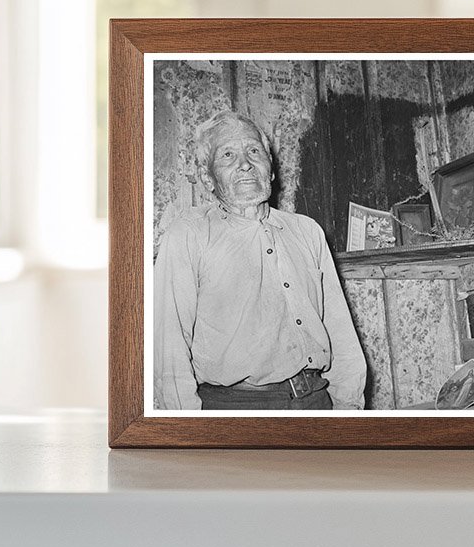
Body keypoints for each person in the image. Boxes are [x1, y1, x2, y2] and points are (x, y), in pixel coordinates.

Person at [153, 110, 367, 411]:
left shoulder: (308, 231)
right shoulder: (188, 235)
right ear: (207, 177)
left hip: (316, 400)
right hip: (237, 409)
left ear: (271, 168)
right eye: (227, 154)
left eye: (254, 151)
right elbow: (169, 351)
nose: (244, 164)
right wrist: (186, 434)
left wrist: (349, 410)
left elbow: (340, 331)